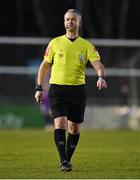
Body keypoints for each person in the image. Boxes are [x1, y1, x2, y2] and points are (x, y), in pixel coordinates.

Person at [35, 9, 107, 172]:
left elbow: (98, 65)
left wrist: (101, 76)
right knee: (60, 123)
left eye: (73, 20)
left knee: (73, 128)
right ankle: (63, 161)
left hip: (77, 91)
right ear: (64, 22)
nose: (70, 22)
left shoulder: (87, 45)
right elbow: (44, 66)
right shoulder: (54, 43)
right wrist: (39, 88)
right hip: (57, 89)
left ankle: (67, 159)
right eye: (67, 19)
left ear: (79, 23)